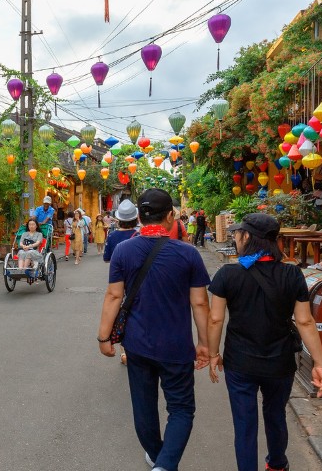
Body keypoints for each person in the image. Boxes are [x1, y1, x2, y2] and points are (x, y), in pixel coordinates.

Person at [98, 189, 210, 471]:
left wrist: (103, 337)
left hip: (137, 344)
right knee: (181, 408)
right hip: (176, 346)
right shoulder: (188, 254)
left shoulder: (124, 250)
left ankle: (159, 457)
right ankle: (165, 464)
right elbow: (199, 303)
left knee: (144, 406)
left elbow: (113, 296)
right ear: (171, 216)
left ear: (139, 216)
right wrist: (206, 344)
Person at [207, 213, 322, 471]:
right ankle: (277, 464)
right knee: (276, 415)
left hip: (240, 363)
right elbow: (305, 322)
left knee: (245, 424)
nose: (236, 237)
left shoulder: (228, 275)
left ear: (248, 237)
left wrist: (213, 353)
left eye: (238, 233)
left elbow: (215, 320)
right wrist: (320, 362)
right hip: (279, 362)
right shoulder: (292, 275)